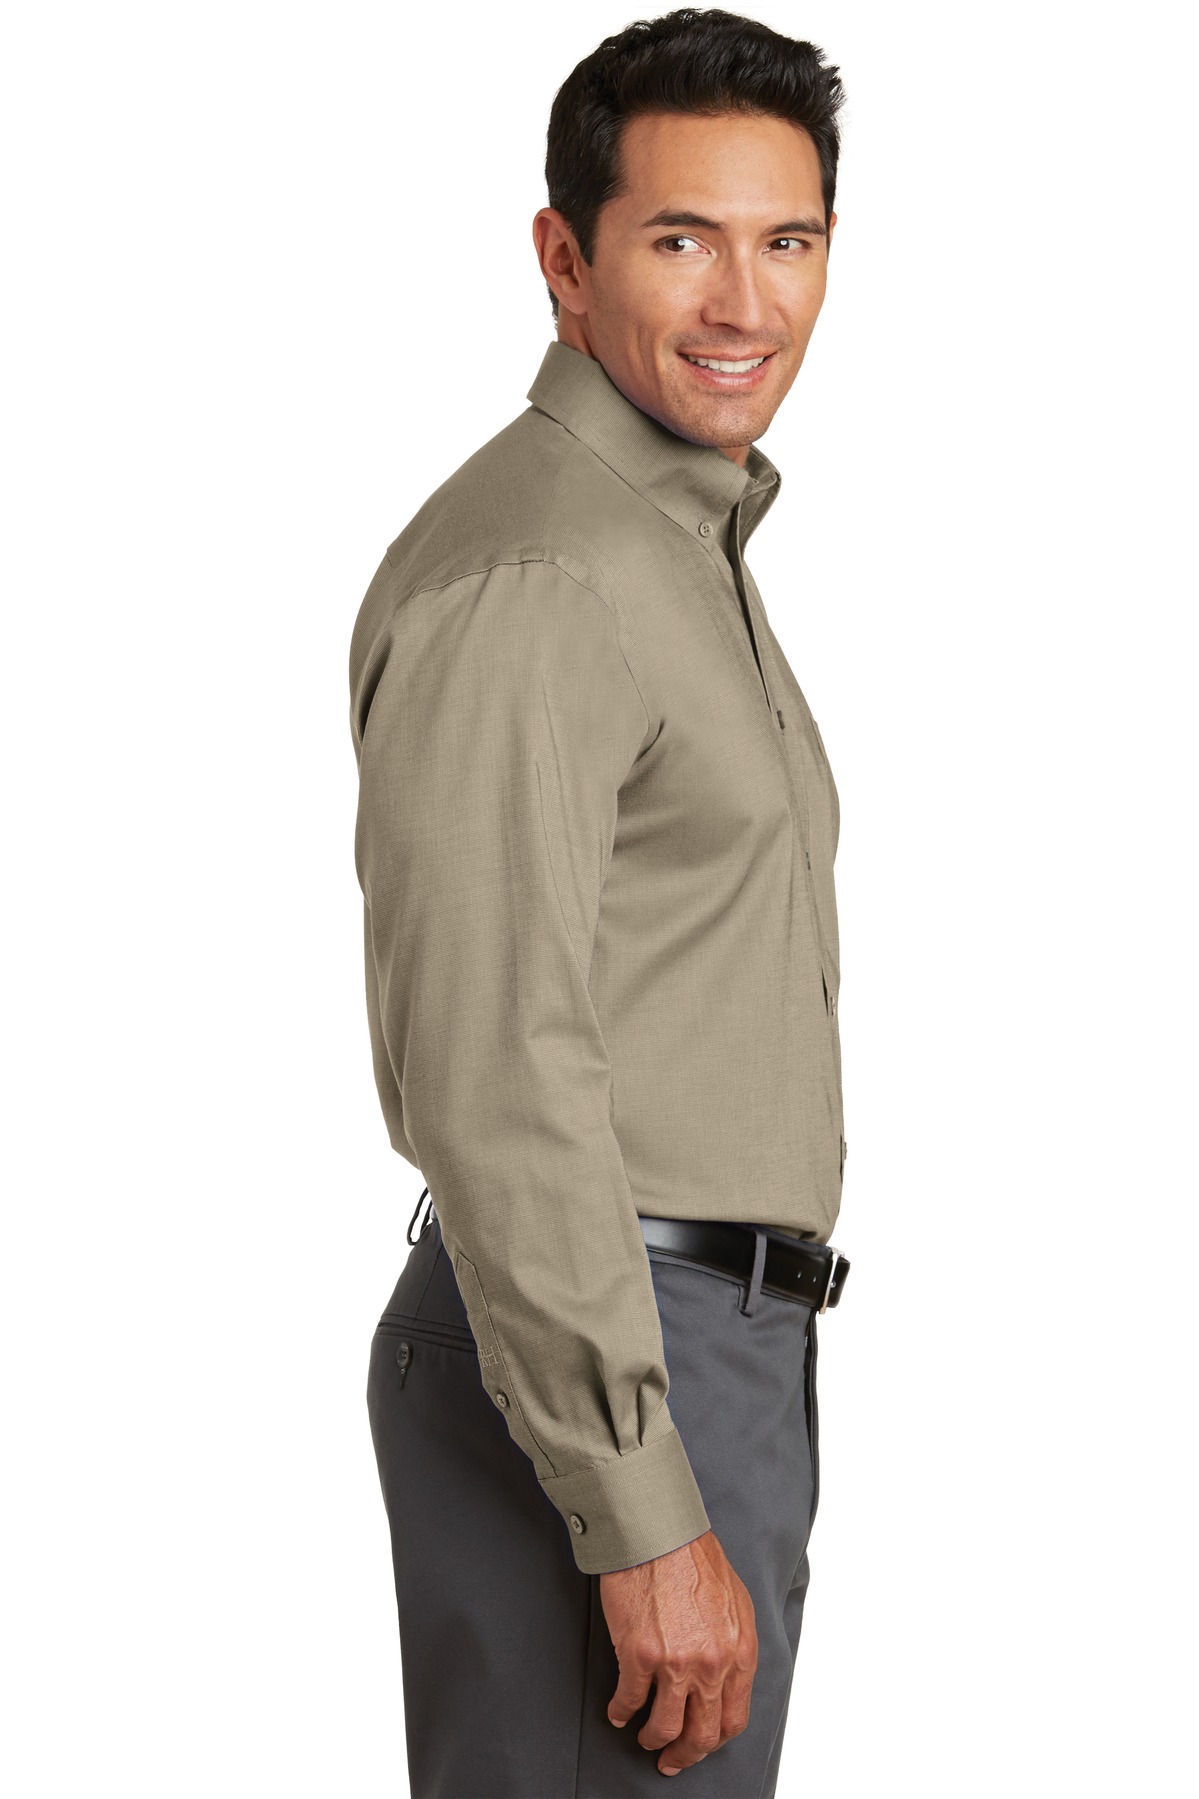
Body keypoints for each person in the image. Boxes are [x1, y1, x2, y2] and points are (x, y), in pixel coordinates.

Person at [348, 9, 852, 1793]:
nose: (746, 303)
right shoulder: (547, 568)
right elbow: (493, 1068)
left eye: (788, 241)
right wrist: (640, 1507)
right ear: (564, 261)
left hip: (690, 1351)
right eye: (682, 240)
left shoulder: (665, 543)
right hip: (609, 1359)